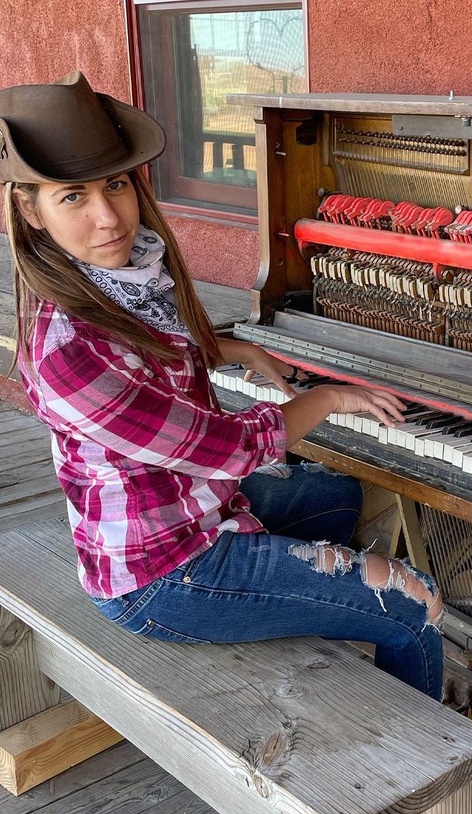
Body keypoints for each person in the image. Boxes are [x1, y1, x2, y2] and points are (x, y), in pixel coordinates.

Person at [0, 69, 446, 701]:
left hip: (197, 509)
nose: (107, 217)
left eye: (116, 185)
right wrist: (327, 396)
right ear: (30, 209)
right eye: (72, 196)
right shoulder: (69, 354)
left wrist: (238, 351)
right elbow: (228, 449)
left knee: (339, 497)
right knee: (415, 604)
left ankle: (337, 629)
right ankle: (416, 737)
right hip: (162, 575)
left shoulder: (120, 280)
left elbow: (164, 348)